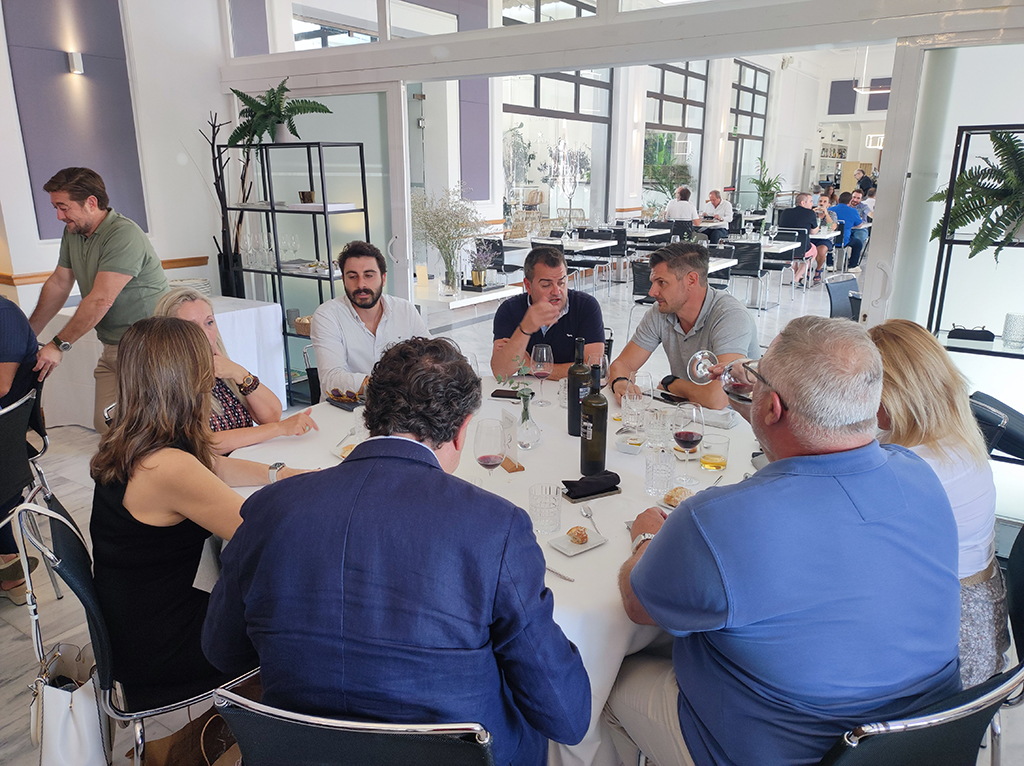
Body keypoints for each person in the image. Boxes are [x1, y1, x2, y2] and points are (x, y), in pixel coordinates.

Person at [203, 337, 591, 766]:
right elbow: (566, 717)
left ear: (370, 414)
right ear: (462, 429)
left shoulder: (268, 509)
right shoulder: (497, 528)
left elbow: (222, 651)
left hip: (300, 754)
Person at [605, 316, 961, 766]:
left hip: (782, 751)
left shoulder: (718, 521)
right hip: (927, 742)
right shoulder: (920, 475)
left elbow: (638, 603)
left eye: (757, 378)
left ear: (772, 407)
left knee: (604, 680)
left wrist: (646, 538)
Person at [89, 317, 305, 708]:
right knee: (303, 613)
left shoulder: (135, 438)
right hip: (166, 644)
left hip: (137, 623)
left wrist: (284, 474)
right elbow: (262, 533)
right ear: (191, 378)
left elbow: (215, 465)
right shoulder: (166, 467)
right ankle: (275, 723)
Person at [869, 319, 1010, 688]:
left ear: (894, 392)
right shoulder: (952, 436)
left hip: (950, 653)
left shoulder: (916, 466)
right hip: (978, 618)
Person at [28, 167, 168, 434]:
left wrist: (58, 345)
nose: (59, 216)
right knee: (107, 427)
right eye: (55, 208)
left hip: (149, 346)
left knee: (149, 431)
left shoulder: (123, 234)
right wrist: (28, 333)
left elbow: (101, 299)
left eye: (63, 207)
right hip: (114, 345)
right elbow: (59, 284)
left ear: (91, 202)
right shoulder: (73, 233)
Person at [155, 288, 318, 455]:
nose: (205, 334)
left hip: (246, 460)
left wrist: (240, 374)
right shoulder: (170, 380)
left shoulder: (220, 366)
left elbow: (271, 416)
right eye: (191, 327)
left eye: (209, 322)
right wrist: (279, 428)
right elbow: (206, 444)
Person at [608, 242, 759, 410]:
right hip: (687, 410)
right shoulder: (661, 311)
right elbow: (623, 364)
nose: (651, 292)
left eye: (661, 282)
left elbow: (716, 399)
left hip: (735, 419)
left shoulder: (730, 316)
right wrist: (621, 382)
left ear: (691, 280)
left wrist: (671, 383)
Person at [310, 240, 428, 400]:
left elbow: (430, 358)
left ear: (383, 278)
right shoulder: (327, 315)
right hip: (346, 407)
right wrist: (390, 386)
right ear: (344, 280)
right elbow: (332, 380)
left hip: (400, 405)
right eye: (352, 276)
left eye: (369, 275)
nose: (361, 284)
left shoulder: (405, 310)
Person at [491, 246, 605, 380]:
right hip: (530, 389)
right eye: (546, 285)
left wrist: (532, 366)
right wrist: (525, 329)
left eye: (561, 283)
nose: (556, 292)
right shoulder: (509, 310)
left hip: (573, 389)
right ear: (528, 286)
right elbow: (501, 372)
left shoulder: (586, 306)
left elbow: (592, 369)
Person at [0, 297, 42, 604]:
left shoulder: (4, 315)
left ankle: (10, 565)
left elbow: (2, 385)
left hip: (7, 445)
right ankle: (8, 563)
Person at [777, 193, 824, 285]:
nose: (812, 204)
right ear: (803, 203)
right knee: (813, 250)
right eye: (810, 201)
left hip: (785, 248)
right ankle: (796, 277)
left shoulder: (785, 212)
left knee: (795, 255)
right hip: (801, 249)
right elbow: (813, 232)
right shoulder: (810, 213)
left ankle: (797, 276)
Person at [830, 191, 864, 270]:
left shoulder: (830, 210)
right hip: (844, 239)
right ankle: (852, 265)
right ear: (850, 201)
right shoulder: (853, 211)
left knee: (829, 243)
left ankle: (830, 264)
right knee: (858, 243)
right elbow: (859, 224)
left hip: (831, 239)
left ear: (838, 200)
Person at [848, 188, 871, 270]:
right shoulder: (846, 205)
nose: (855, 200)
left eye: (858, 198)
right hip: (848, 228)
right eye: (854, 197)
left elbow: (870, 213)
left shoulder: (864, 207)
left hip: (860, 229)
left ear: (861, 199)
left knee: (859, 238)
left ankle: (854, 261)